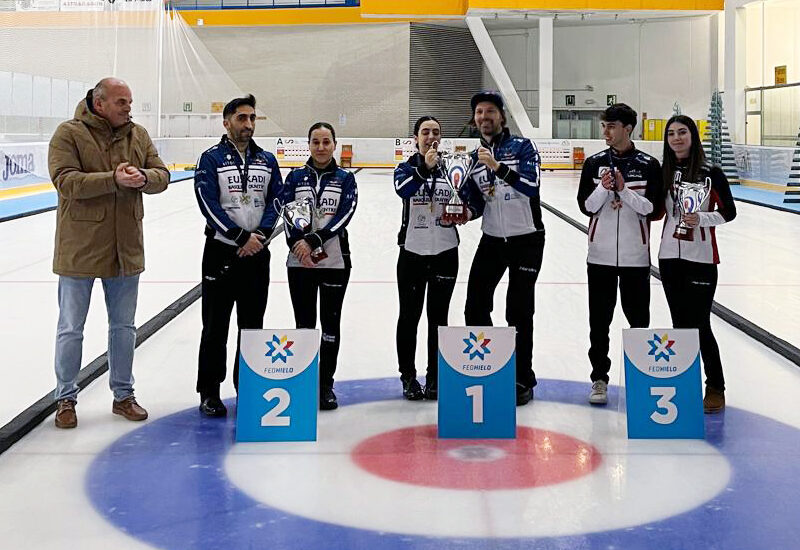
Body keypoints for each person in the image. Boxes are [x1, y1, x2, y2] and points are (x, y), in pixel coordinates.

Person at [48, 77, 169, 429]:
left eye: (129, 101)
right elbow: (65, 181)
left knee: (124, 328)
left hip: (125, 249)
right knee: (71, 328)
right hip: (79, 250)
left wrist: (143, 177)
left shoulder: (138, 135)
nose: (128, 107)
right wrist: (111, 180)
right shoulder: (68, 134)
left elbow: (161, 174)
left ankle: (123, 395)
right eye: (122, 102)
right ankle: (65, 398)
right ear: (99, 103)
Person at [193, 94, 284, 417]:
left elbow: (277, 202)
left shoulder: (267, 160)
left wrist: (259, 236)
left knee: (252, 325)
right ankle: (210, 391)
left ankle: (246, 387)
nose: (248, 124)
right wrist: (239, 236)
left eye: (252, 118)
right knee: (215, 327)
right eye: (242, 118)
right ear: (227, 121)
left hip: (257, 254)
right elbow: (208, 204)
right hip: (221, 252)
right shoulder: (211, 159)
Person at [459, 91, 544, 406]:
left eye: (490, 111)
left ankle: (523, 376)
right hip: (493, 238)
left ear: (502, 116)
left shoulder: (523, 147)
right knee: (475, 305)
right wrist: (463, 212)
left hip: (527, 237)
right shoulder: (472, 158)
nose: (484, 117)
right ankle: (492, 364)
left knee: (519, 310)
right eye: (479, 112)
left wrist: (497, 166)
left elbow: (531, 186)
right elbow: (477, 201)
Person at [577, 104, 661, 405]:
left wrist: (625, 191)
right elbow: (585, 206)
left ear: (628, 128)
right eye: (603, 126)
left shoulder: (649, 164)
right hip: (598, 257)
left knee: (639, 320)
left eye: (611, 126)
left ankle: (641, 379)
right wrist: (603, 188)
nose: (606, 132)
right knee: (598, 322)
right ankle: (599, 378)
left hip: (634, 259)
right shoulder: (593, 162)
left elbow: (653, 210)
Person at [654, 115, 736, 414]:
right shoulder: (662, 171)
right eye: (671, 133)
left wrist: (700, 218)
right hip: (669, 257)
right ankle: (685, 385)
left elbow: (729, 212)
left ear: (693, 135)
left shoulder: (710, 172)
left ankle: (715, 386)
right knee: (680, 325)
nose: (676, 138)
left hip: (701, 257)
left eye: (682, 132)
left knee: (700, 324)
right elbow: (654, 210)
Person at [284, 122, 358, 410]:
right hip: (299, 262)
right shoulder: (295, 177)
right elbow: (287, 211)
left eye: (326, 142)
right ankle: (304, 382)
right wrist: (297, 243)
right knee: (304, 325)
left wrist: (314, 238)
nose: (321, 147)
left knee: (330, 325)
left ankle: (325, 384)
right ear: (309, 144)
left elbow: (345, 213)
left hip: (335, 262)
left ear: (334, 144)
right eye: (316, 142)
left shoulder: (345, 178)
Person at [393, 116, 459, 401]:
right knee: (409, 317)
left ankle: (435, 377)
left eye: (435, 131)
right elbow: (403, 189)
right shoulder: (405, 168)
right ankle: (408, 377)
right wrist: (424, 167)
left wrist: (466, 211)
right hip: (412, 252)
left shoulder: (452, 169)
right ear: (415, 138)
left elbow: (468, 198)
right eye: (424, 132)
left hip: (445, 251)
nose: (430, 136)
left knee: (438, 318)